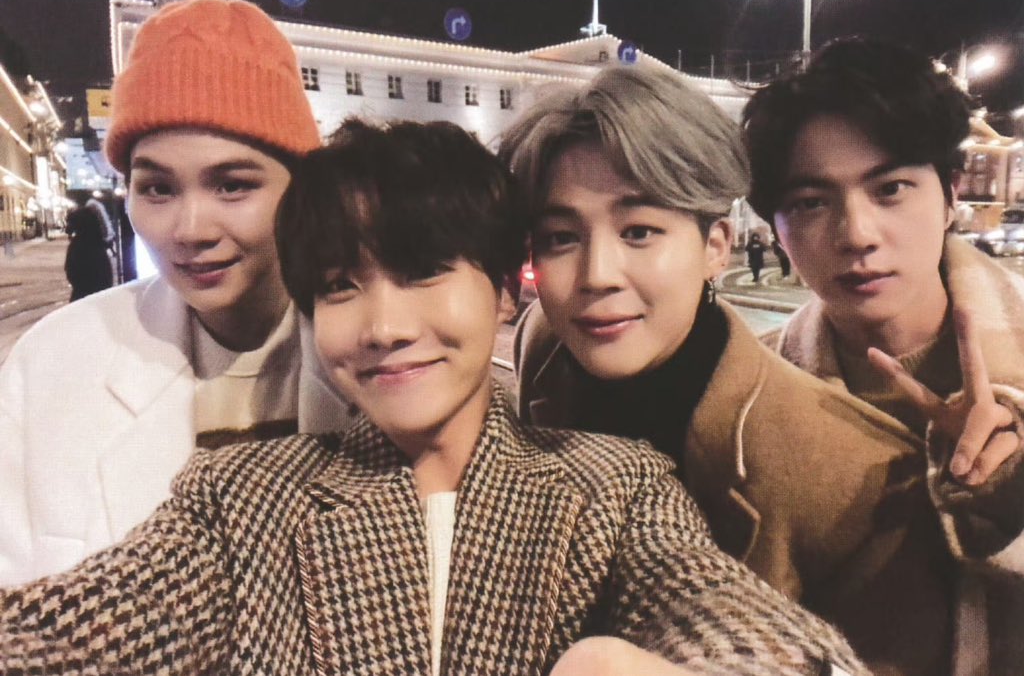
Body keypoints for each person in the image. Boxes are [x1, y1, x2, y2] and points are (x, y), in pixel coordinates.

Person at [0, 119, 865, 676]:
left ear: (504, 293)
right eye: (340, 287)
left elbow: (723, 611)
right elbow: (62, 633)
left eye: (422, 273)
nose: (383, 326)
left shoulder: (613, 487)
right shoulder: (240, 500)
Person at [500, 64, 993, 676]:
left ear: (716, 247)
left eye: (639, 231)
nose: (597, 275)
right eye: (559, 238)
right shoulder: (545, 345)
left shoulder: (855, 476)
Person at [0, 0, 351, 587]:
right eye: (158, 189)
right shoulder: (52, 364)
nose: (190, 230)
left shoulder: (386, 357)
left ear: (302, 191)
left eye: (233, 185)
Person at [743, 36, 1024, 675]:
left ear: (951, 195)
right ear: (776, 228)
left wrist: (1007, 496)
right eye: (810, 203)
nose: (857, 235)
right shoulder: (751, 394)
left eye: (891, 188)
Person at [63, 199, 116, 300]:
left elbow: (71, 273)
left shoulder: (77, 245)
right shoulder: (98, 245)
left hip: (81, 296)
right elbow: (107, 277)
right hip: (101, 297)